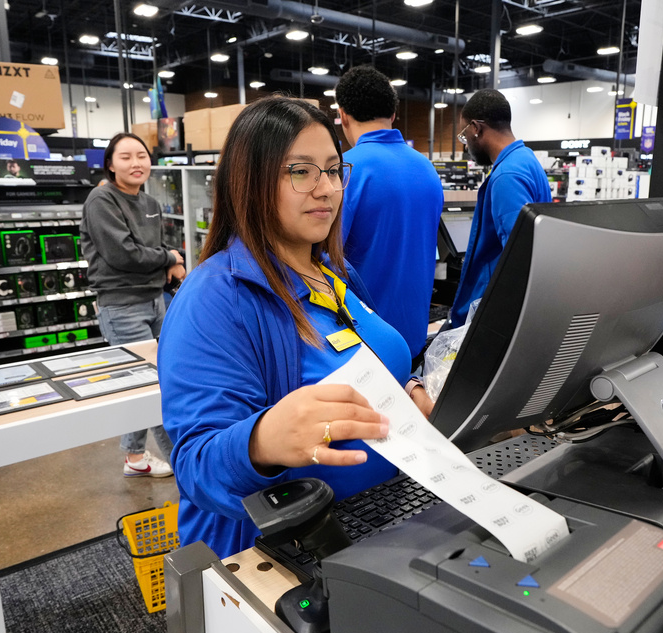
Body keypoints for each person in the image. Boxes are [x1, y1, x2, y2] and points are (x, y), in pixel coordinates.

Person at [157, 97, 434, 559]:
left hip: (374, 524)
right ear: (252, 181)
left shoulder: (332, 272)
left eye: (332, 170)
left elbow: (358, 361)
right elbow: (195, 465)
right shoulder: (215, 298)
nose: (325, 188)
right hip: (284, 553)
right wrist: (263, 439)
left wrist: (407, 388)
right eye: (301, 171)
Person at [79, 132, 186, 478]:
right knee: (154, 386)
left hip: (156, 300)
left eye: (141, 155)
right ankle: (184, 466)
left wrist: (169, 260)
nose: (136, 163)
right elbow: (121, 254)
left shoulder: (150, 204)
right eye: (125, 157)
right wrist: (169, 256)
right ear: (110, 164)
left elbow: (154, 245)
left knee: (154, 380)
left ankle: (134, 456)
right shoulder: (101, 200)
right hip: (122, 305)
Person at [335, 65, 444, 358]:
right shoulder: (428, 170)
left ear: (343, 115)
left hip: (363, 347)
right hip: (414, 343)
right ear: (393, 114)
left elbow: (321, 263)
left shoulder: (345, 171)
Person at [449, 89, 552, 327]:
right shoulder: (527, 160)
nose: (466, 147)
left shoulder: (507, 176)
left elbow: (518, 259)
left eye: (464, 136)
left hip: (492, 313)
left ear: (476, 127)